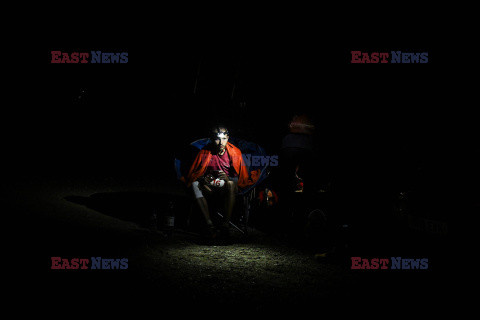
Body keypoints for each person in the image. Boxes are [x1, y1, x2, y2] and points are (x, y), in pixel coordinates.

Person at [186, 125, 260, 239]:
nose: (221, 142)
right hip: (209, 186)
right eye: (217, 139)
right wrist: (203, 179)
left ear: (228, 138)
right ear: (212, 139)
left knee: (230, 184)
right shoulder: (205, 152)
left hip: (226, 187)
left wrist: (227, 178)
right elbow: (196, 174)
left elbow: (238, 180)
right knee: (195, 185)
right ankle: (209, 224)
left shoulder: (234, 153)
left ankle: (225, 225)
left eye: (224, 138)